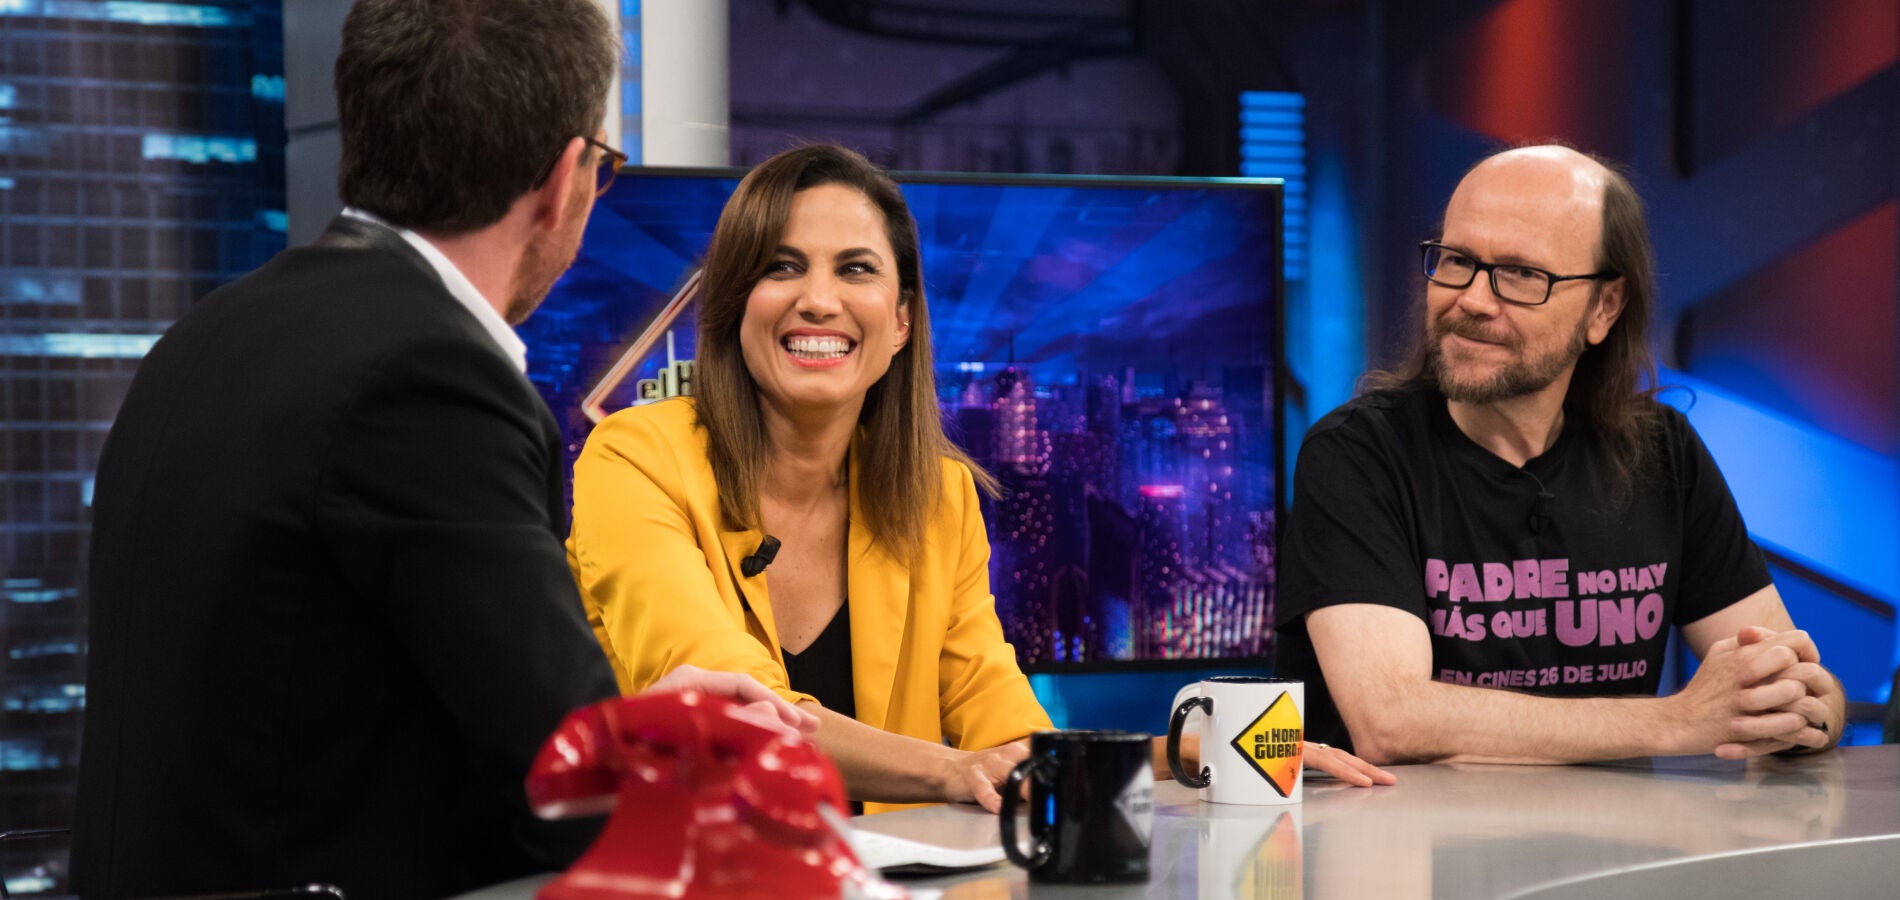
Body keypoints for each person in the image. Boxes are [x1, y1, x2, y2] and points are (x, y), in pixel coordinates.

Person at [51, 2, 809, 900]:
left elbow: (349, 691)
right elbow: (566, 797)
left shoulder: (214, 332)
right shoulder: (431, 373)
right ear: (565, 178)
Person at [568, 144, 1390, 813]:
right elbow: (736, 714)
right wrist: (947, 772)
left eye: (855, 269)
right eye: (782, 267)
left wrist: (1186, 751)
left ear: (899, 323)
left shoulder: (936, 496)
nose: (817, 299)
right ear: (734, 306)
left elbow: (1003, 737)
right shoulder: (634, 459)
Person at [1275, 144, 1844, 765]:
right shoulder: (1358, 454)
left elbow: (1795, 680)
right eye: (1458, 260)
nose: (1471, 299)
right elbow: (1392, 719)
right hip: (1409, 855)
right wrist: (1677, 721)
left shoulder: (1662, 453)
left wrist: (1810, 708)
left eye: (1521, 275)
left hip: (1615, 855)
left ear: (1604, 308)